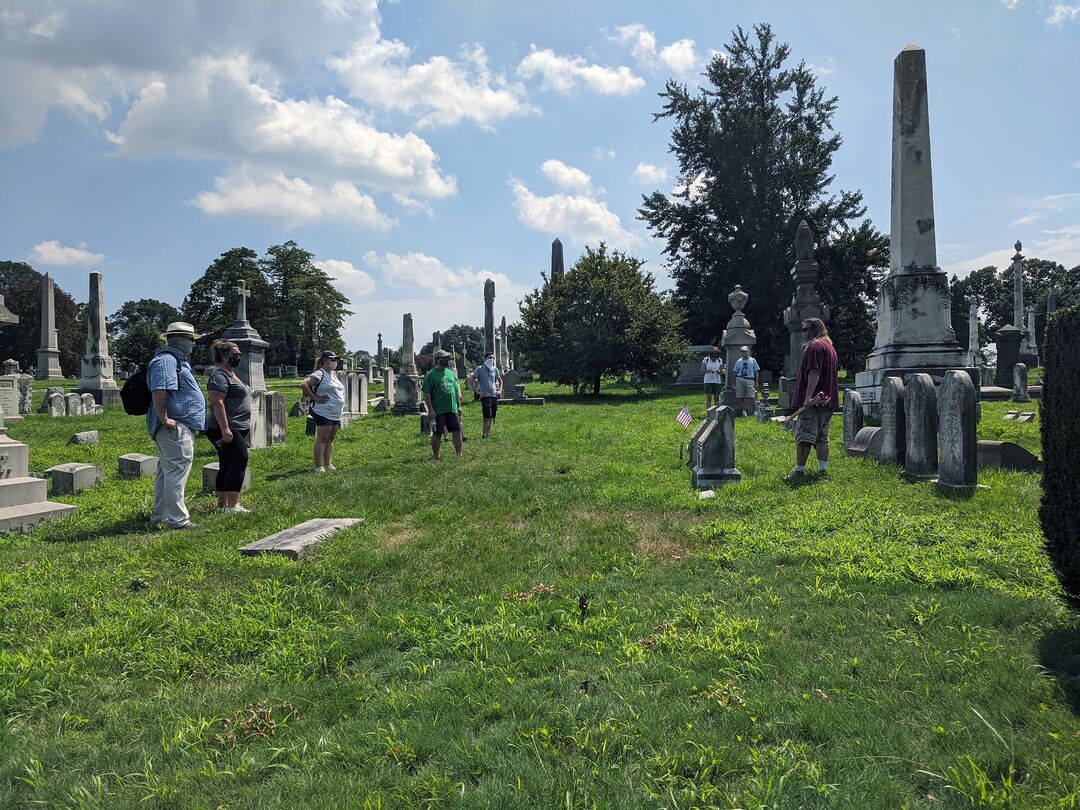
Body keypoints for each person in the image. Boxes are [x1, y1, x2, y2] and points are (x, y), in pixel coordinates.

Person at [147, 321, 206, 530]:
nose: (193, 344)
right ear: (179, 339)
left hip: (176, 425)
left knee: (167, 471)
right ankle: (178, 520)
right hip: (174, 426)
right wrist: (165, 418)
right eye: (190, 340)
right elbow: (160, 390)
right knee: (177, 471)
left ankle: (160, 516)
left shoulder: (177, 361)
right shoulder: (166, 361)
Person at [786, 318, 839, 480]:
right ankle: (822, 471)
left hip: (814, 401)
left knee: (804, 436)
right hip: (827, 399)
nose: (804, 333)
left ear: (816, 329)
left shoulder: (815, 347)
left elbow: (814, 372)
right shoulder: (829, 347)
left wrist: (807, 397)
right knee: (822, 437)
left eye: (806, 330)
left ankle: (799, 470)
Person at [204, 339, 252, 513]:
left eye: (239, 355)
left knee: (226, 463)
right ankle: (233, 506)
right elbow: (218, 403)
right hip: (226, 427)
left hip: (237, 426)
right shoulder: (219, 376)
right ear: (224, 357)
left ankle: (223, 504)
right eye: (235, 355)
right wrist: (225, 428)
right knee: (239, 461)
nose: (238, 358)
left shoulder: (232, 374)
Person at [301, 350, 345, 472]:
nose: (335, 362)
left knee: (330, 439)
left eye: (335, 359)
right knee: (322, 439)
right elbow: (304, 384)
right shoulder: (320, 374)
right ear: (325, 360)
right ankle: (318, 466)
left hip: (335, 412)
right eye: (332, 359)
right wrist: (315, 398)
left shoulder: (333, 374)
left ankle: (328, 464)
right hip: (323, 411)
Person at [422, 349, 463, 460]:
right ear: (438, 360)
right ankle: (436, 457)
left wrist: (459, 406)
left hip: (452, 409)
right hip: (438, 410)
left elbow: (456, 391)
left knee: (457, 432)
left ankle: (459, 455)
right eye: (445, 359)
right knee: (437, 434)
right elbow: (426, 393)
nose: (448, 360)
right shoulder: (431, 375)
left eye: (448, 358)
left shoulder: (450, 373)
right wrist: (430, 409)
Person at [468, 351, 502, 438]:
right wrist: (477, 391)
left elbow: (500, 380)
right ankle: (484, 434)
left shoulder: (495, 369)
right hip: (485, 396)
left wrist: (500, 390)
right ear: (485, 359)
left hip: (494, 395)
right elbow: (472, 380)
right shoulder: (480, 368)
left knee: (491, 416)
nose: (492, 359)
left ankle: (488, 433)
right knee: (486, 416)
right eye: (490, 357)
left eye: (493, 358)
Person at [732, 345, 761, 416]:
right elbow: (735, 372)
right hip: (740, 379)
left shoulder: (753, 360)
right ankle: (744, 412)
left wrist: (757, 382)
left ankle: (755, 412)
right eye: (742, 352)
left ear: (748, 351)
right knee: (740, 396)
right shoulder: (738, 361)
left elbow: (756, 371)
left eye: (745, 351)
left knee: (752, 396)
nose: (744, 353)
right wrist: (733, 383)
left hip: (750, 379)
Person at [701, 347, 724, 412]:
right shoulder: (706, 359)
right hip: (708, 381)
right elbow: (702, 370)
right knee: (709, 397)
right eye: (714, 353)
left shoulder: (719, 360)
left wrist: (719, 371)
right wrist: (709, 370)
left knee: (717, 397)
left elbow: (721, 370)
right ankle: (709, 412)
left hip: (717, 381)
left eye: (716, 353)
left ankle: (717, 411)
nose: (715, 355)